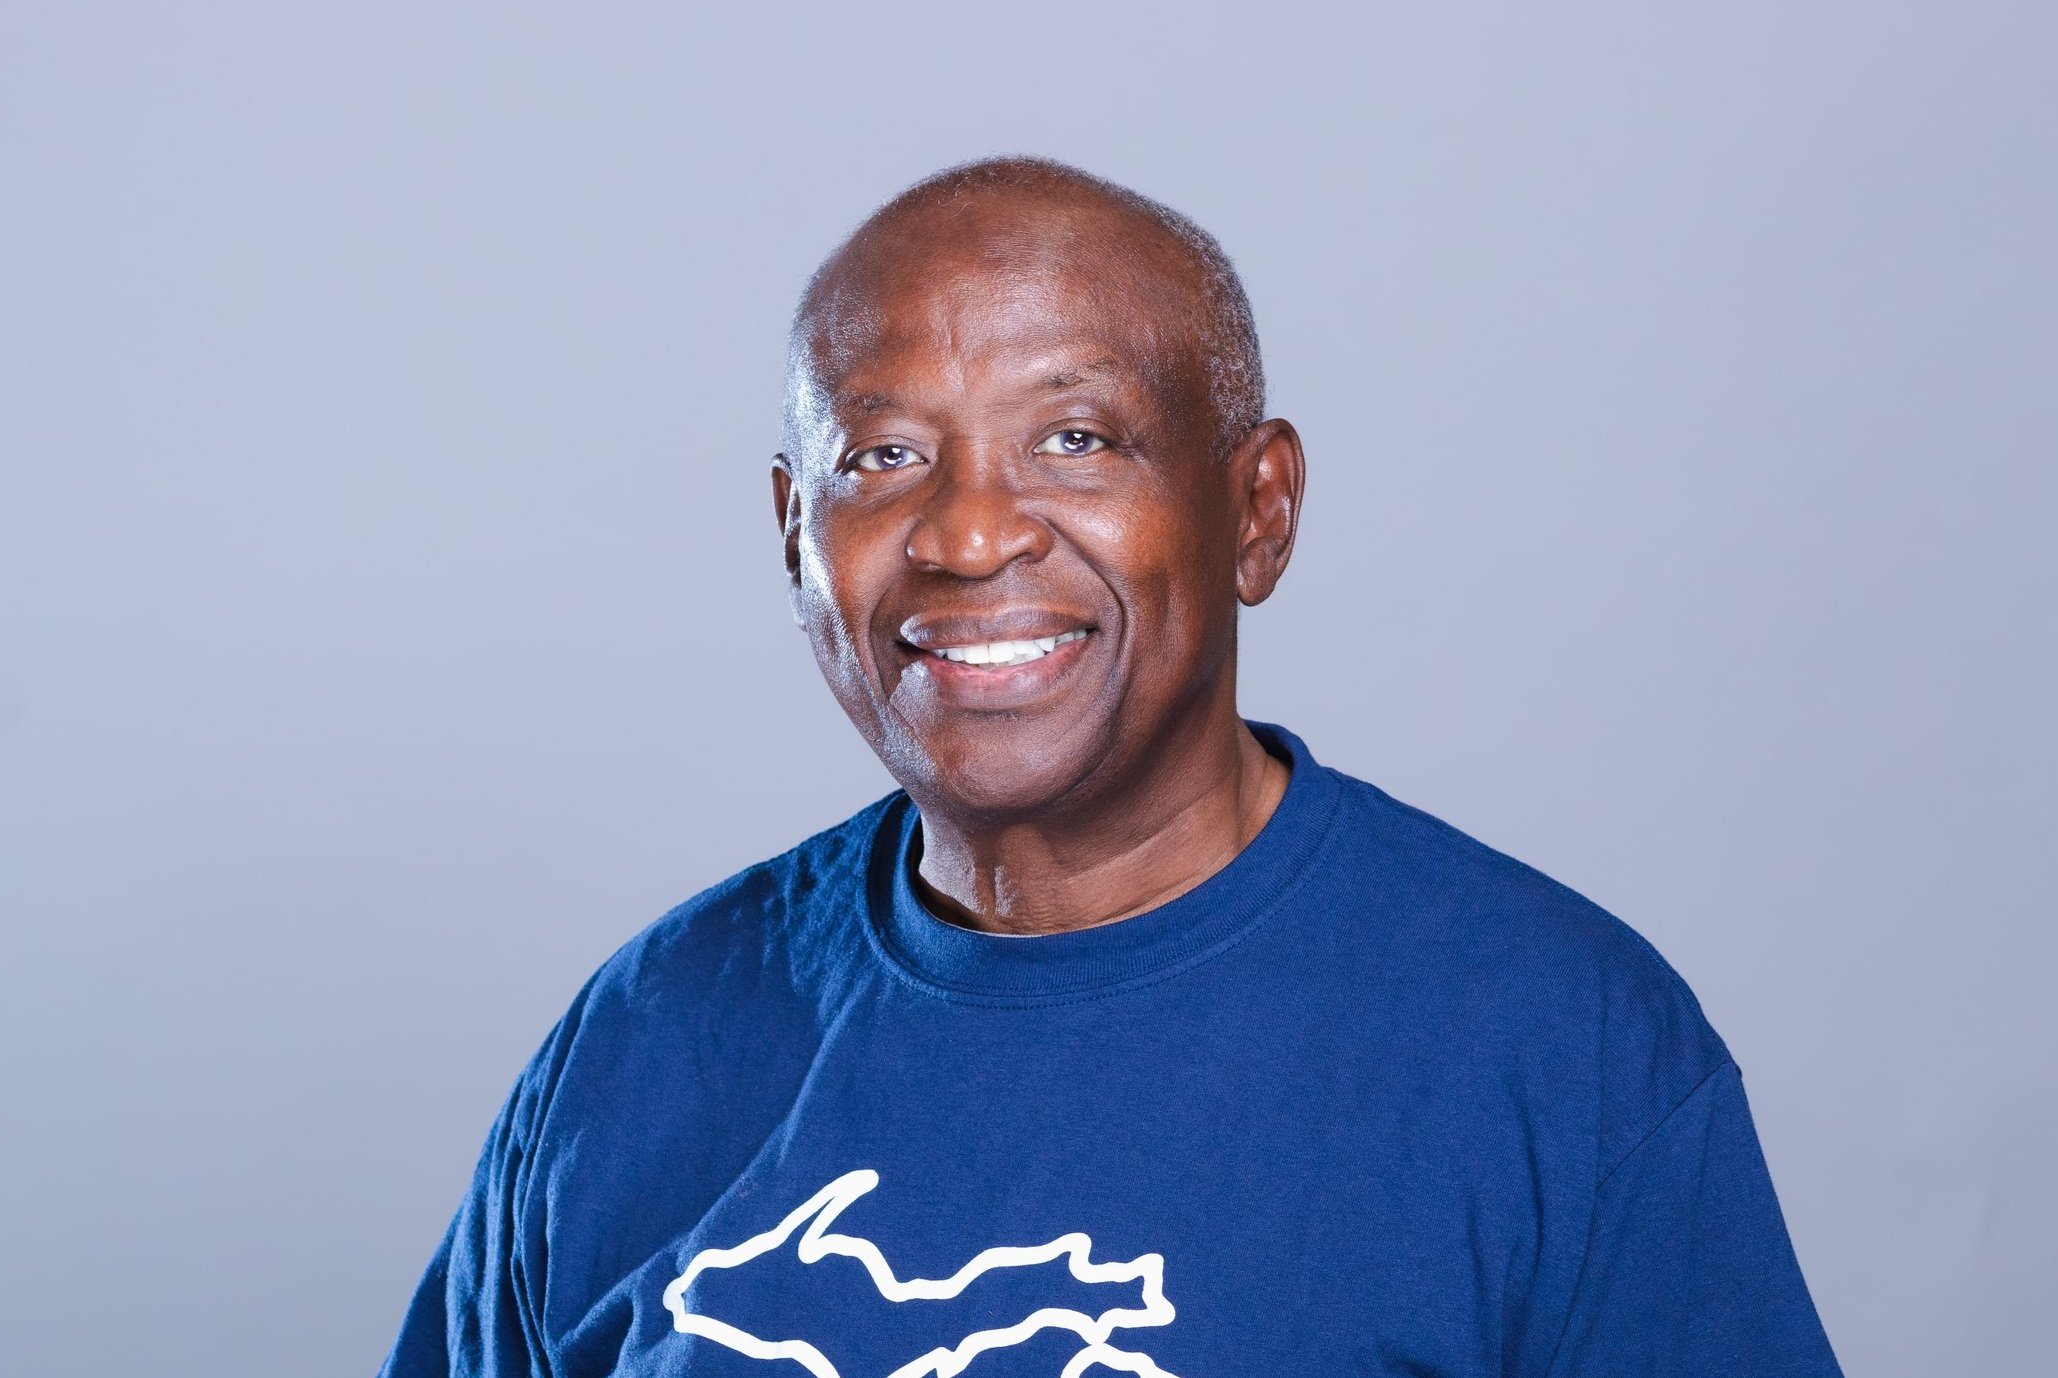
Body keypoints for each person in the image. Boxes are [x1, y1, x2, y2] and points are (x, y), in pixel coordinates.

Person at [379, 156, 1843, 1377]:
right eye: (881, 457)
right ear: (789, 534)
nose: (965, 532)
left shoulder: (1558, 1051)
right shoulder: (643, 1038)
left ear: (1255, 509)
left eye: (1074, 439)